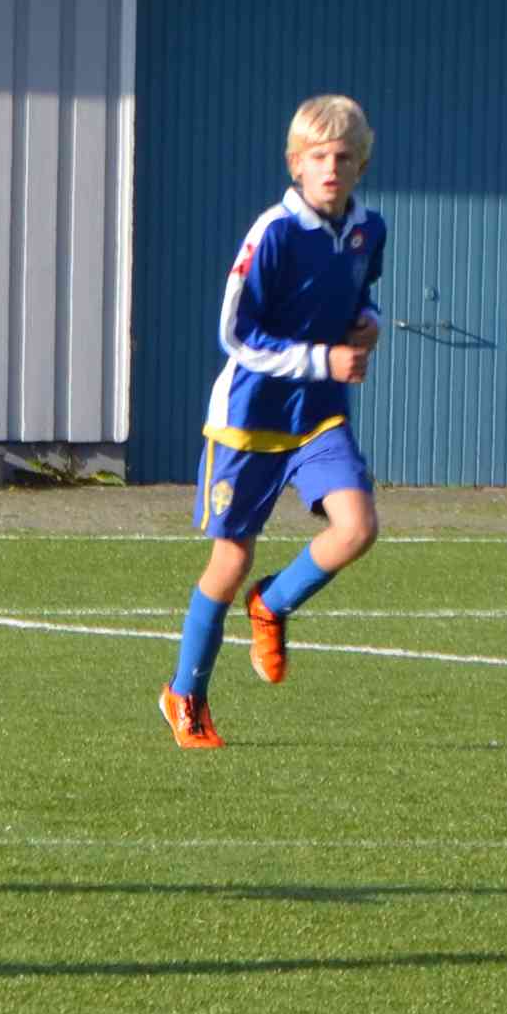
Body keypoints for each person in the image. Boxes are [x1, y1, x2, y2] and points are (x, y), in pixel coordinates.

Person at [163, 96, 389, 750]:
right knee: (230, 559)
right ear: (296, 164)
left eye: (343, 157)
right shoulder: (275, 233)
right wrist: (323, 357)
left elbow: (360, 295)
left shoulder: (369, 231)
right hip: (250, 419)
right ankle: (185, 695)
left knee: (357, 527)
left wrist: (368, 324)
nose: (331, 168)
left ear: (361, 164)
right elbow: (234, 333)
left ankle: (273, 603)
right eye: (318, 157)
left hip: (317, 415)